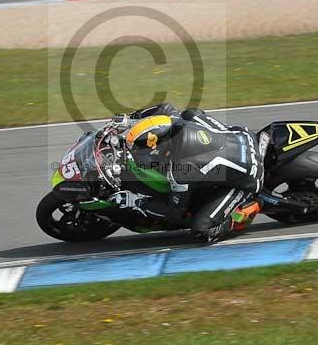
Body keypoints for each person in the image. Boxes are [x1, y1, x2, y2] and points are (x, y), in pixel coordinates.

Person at [108, 103, 263, 241]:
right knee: (190, 114)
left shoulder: (180, 171)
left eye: (141, 152)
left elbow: (174, 214)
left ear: (162, 151)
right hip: (242, 135)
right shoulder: (173, 122)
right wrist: (130, 119)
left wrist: (135, 201)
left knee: (202, 229)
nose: (136, 154)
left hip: (250, 176)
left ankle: (249, 209)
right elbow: (164, 108)